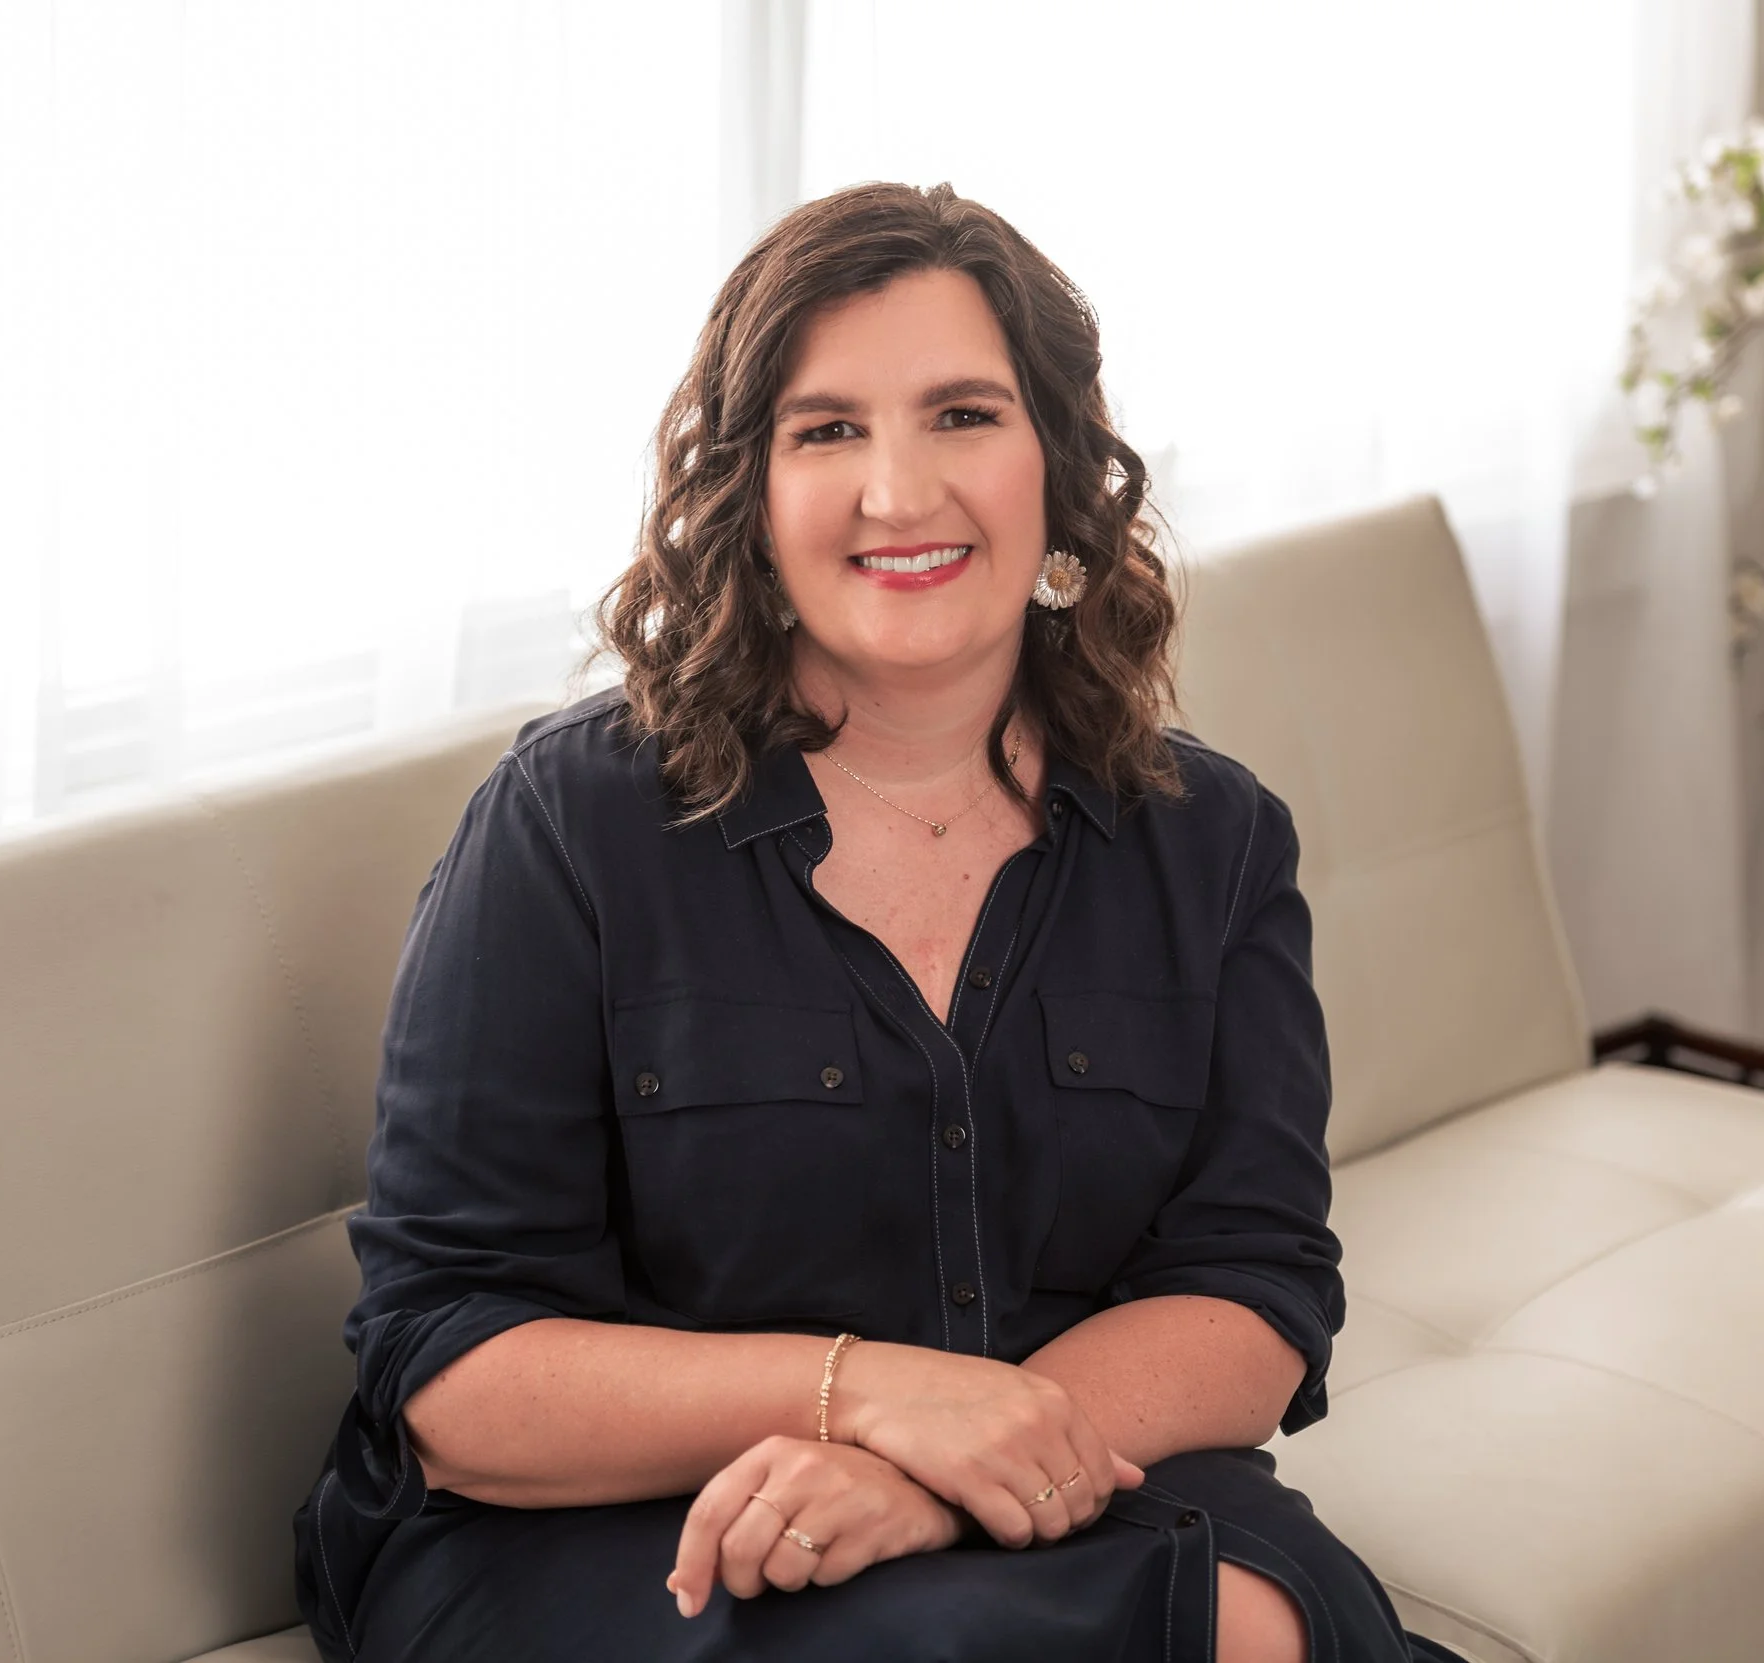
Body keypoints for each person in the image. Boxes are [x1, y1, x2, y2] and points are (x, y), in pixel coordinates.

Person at [293, 180, 1464, 1663]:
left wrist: (925, 1470)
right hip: (603, 1531)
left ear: (1063, 465)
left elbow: (1253, 1288)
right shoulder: (568, 825)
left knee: (1261, 1620)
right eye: (827, 429)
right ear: (749, 495)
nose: (898, 493)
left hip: (1058, 1470)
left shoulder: (1210, 840)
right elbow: (449, 1375)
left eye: (964, 415)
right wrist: (868, 1394)